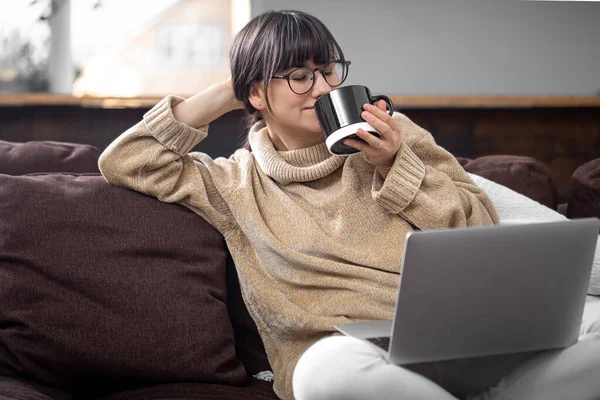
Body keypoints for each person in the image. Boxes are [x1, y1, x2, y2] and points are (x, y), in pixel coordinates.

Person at [98, 9, 600, 400]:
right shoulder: (232, 183)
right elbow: (127, 160)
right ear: (255, 93)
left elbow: (476, 227)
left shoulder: (395, 137)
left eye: (326, 71)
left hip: (458, 336)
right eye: (298, 76)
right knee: (323, 372)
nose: (322, 88)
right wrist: (223, 93)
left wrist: (395, 166)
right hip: (349, 358)